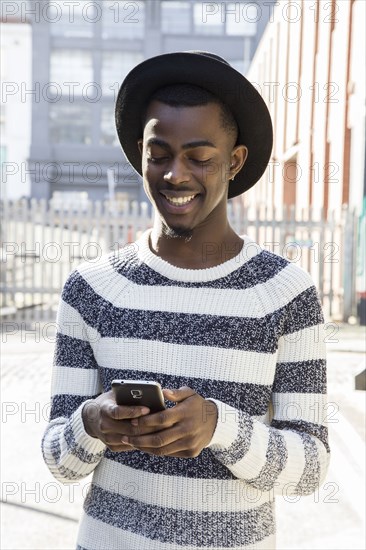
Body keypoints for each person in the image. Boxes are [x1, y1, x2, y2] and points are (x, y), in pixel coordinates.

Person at [42, 51, 330, 550]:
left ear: (234, 161)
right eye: (159, 155)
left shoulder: (286, 293)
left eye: (200, 157)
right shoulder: (90, 288)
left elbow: (310, 469)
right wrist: (92, 422)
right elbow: (58, 461)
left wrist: (219, 425)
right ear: (141, 153)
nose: (176, 174)